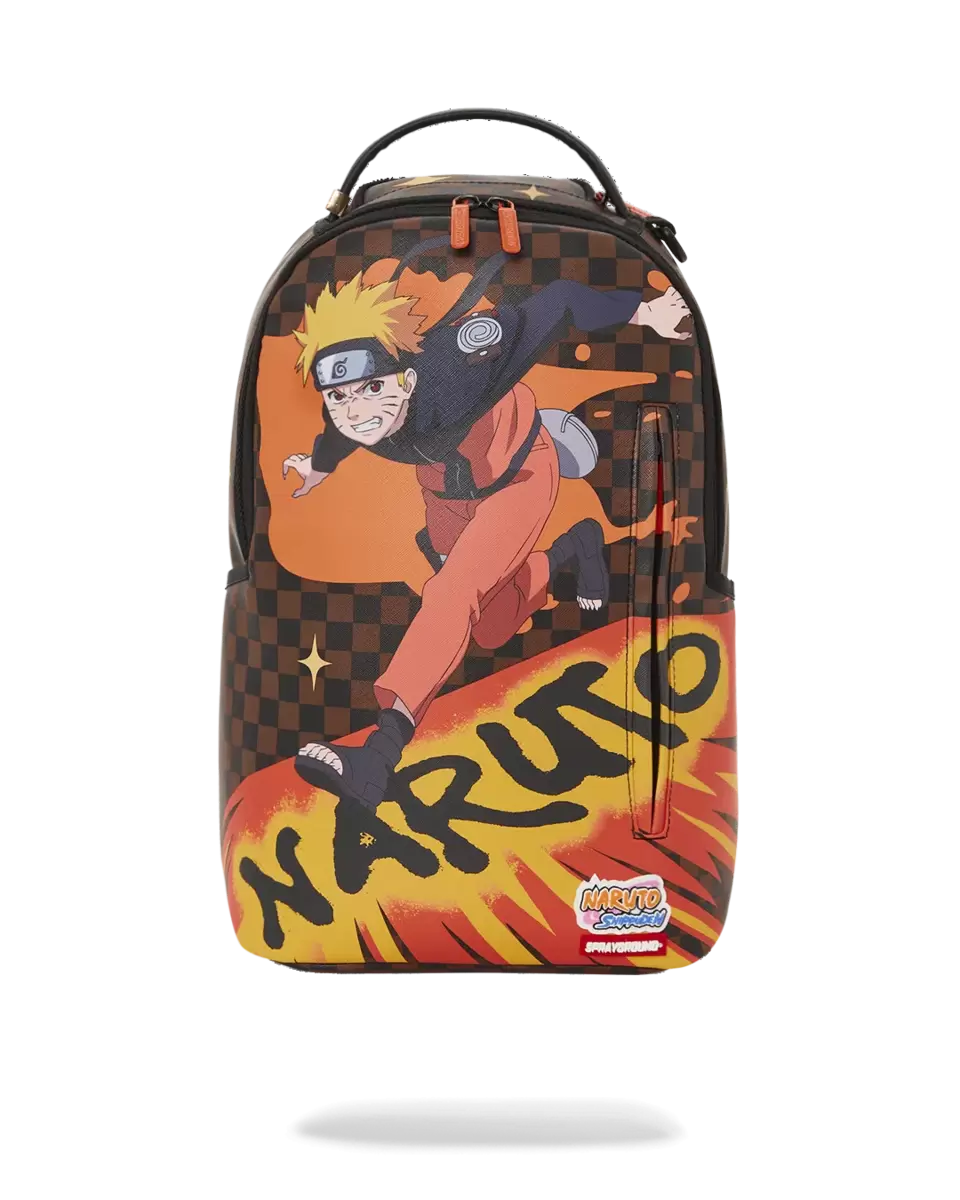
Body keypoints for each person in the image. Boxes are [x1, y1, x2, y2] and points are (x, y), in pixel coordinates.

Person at [282, 253, 691, 809]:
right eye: (339, 396)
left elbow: (560, 299)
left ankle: (377, 756)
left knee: (451, 593)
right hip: (445, 492)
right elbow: (342, 428)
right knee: (493, 626)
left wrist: (646, 312)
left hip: (518, 474)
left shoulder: (458, 367)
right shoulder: (353, 412)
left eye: (372, 389)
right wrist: (317, 466)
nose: (356, 410)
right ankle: (575, 548)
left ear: (407, 379)